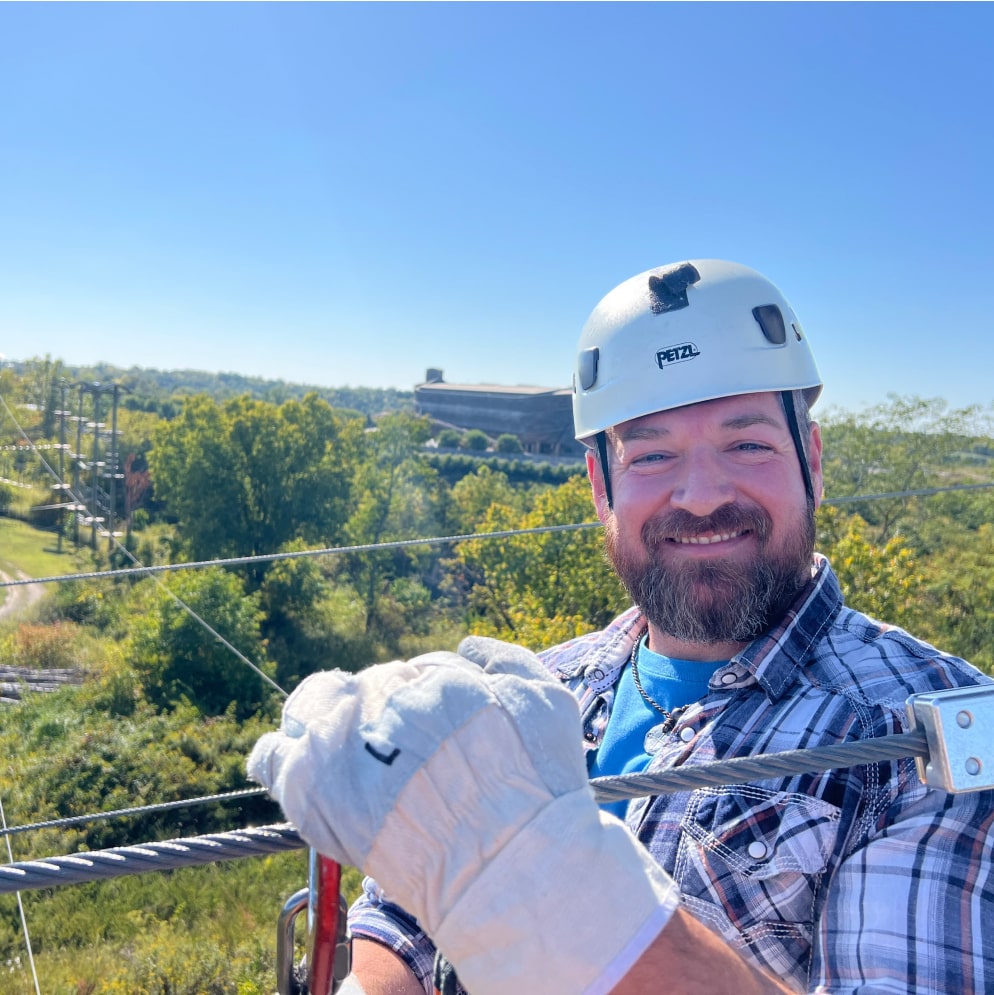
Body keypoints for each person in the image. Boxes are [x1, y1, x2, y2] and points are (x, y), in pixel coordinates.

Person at [250, 259, 994, 995]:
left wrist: (526, 874)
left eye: (748, 444)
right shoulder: (539, 686)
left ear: (814, 461)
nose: (701, 496)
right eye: (653, 454)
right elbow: (402, 922)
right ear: (601, 487)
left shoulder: (933, 731)